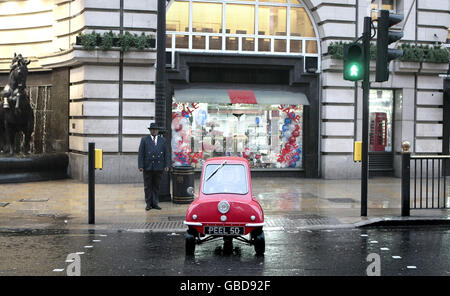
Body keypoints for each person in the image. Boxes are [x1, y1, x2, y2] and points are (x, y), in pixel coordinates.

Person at [138, 123, 170, 211]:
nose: (154, 131)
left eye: (155, 129)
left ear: (158, 131)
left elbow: (166, 153)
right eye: (152, 129)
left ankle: (155, 203)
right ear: (150, 131)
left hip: (159, 167)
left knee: (156, 186)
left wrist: (167, 165)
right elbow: (141, 154)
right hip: (147, 167)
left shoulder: (163, 140)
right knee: (148, 186)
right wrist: (140, 165)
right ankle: (148, 203)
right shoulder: (144, 140)